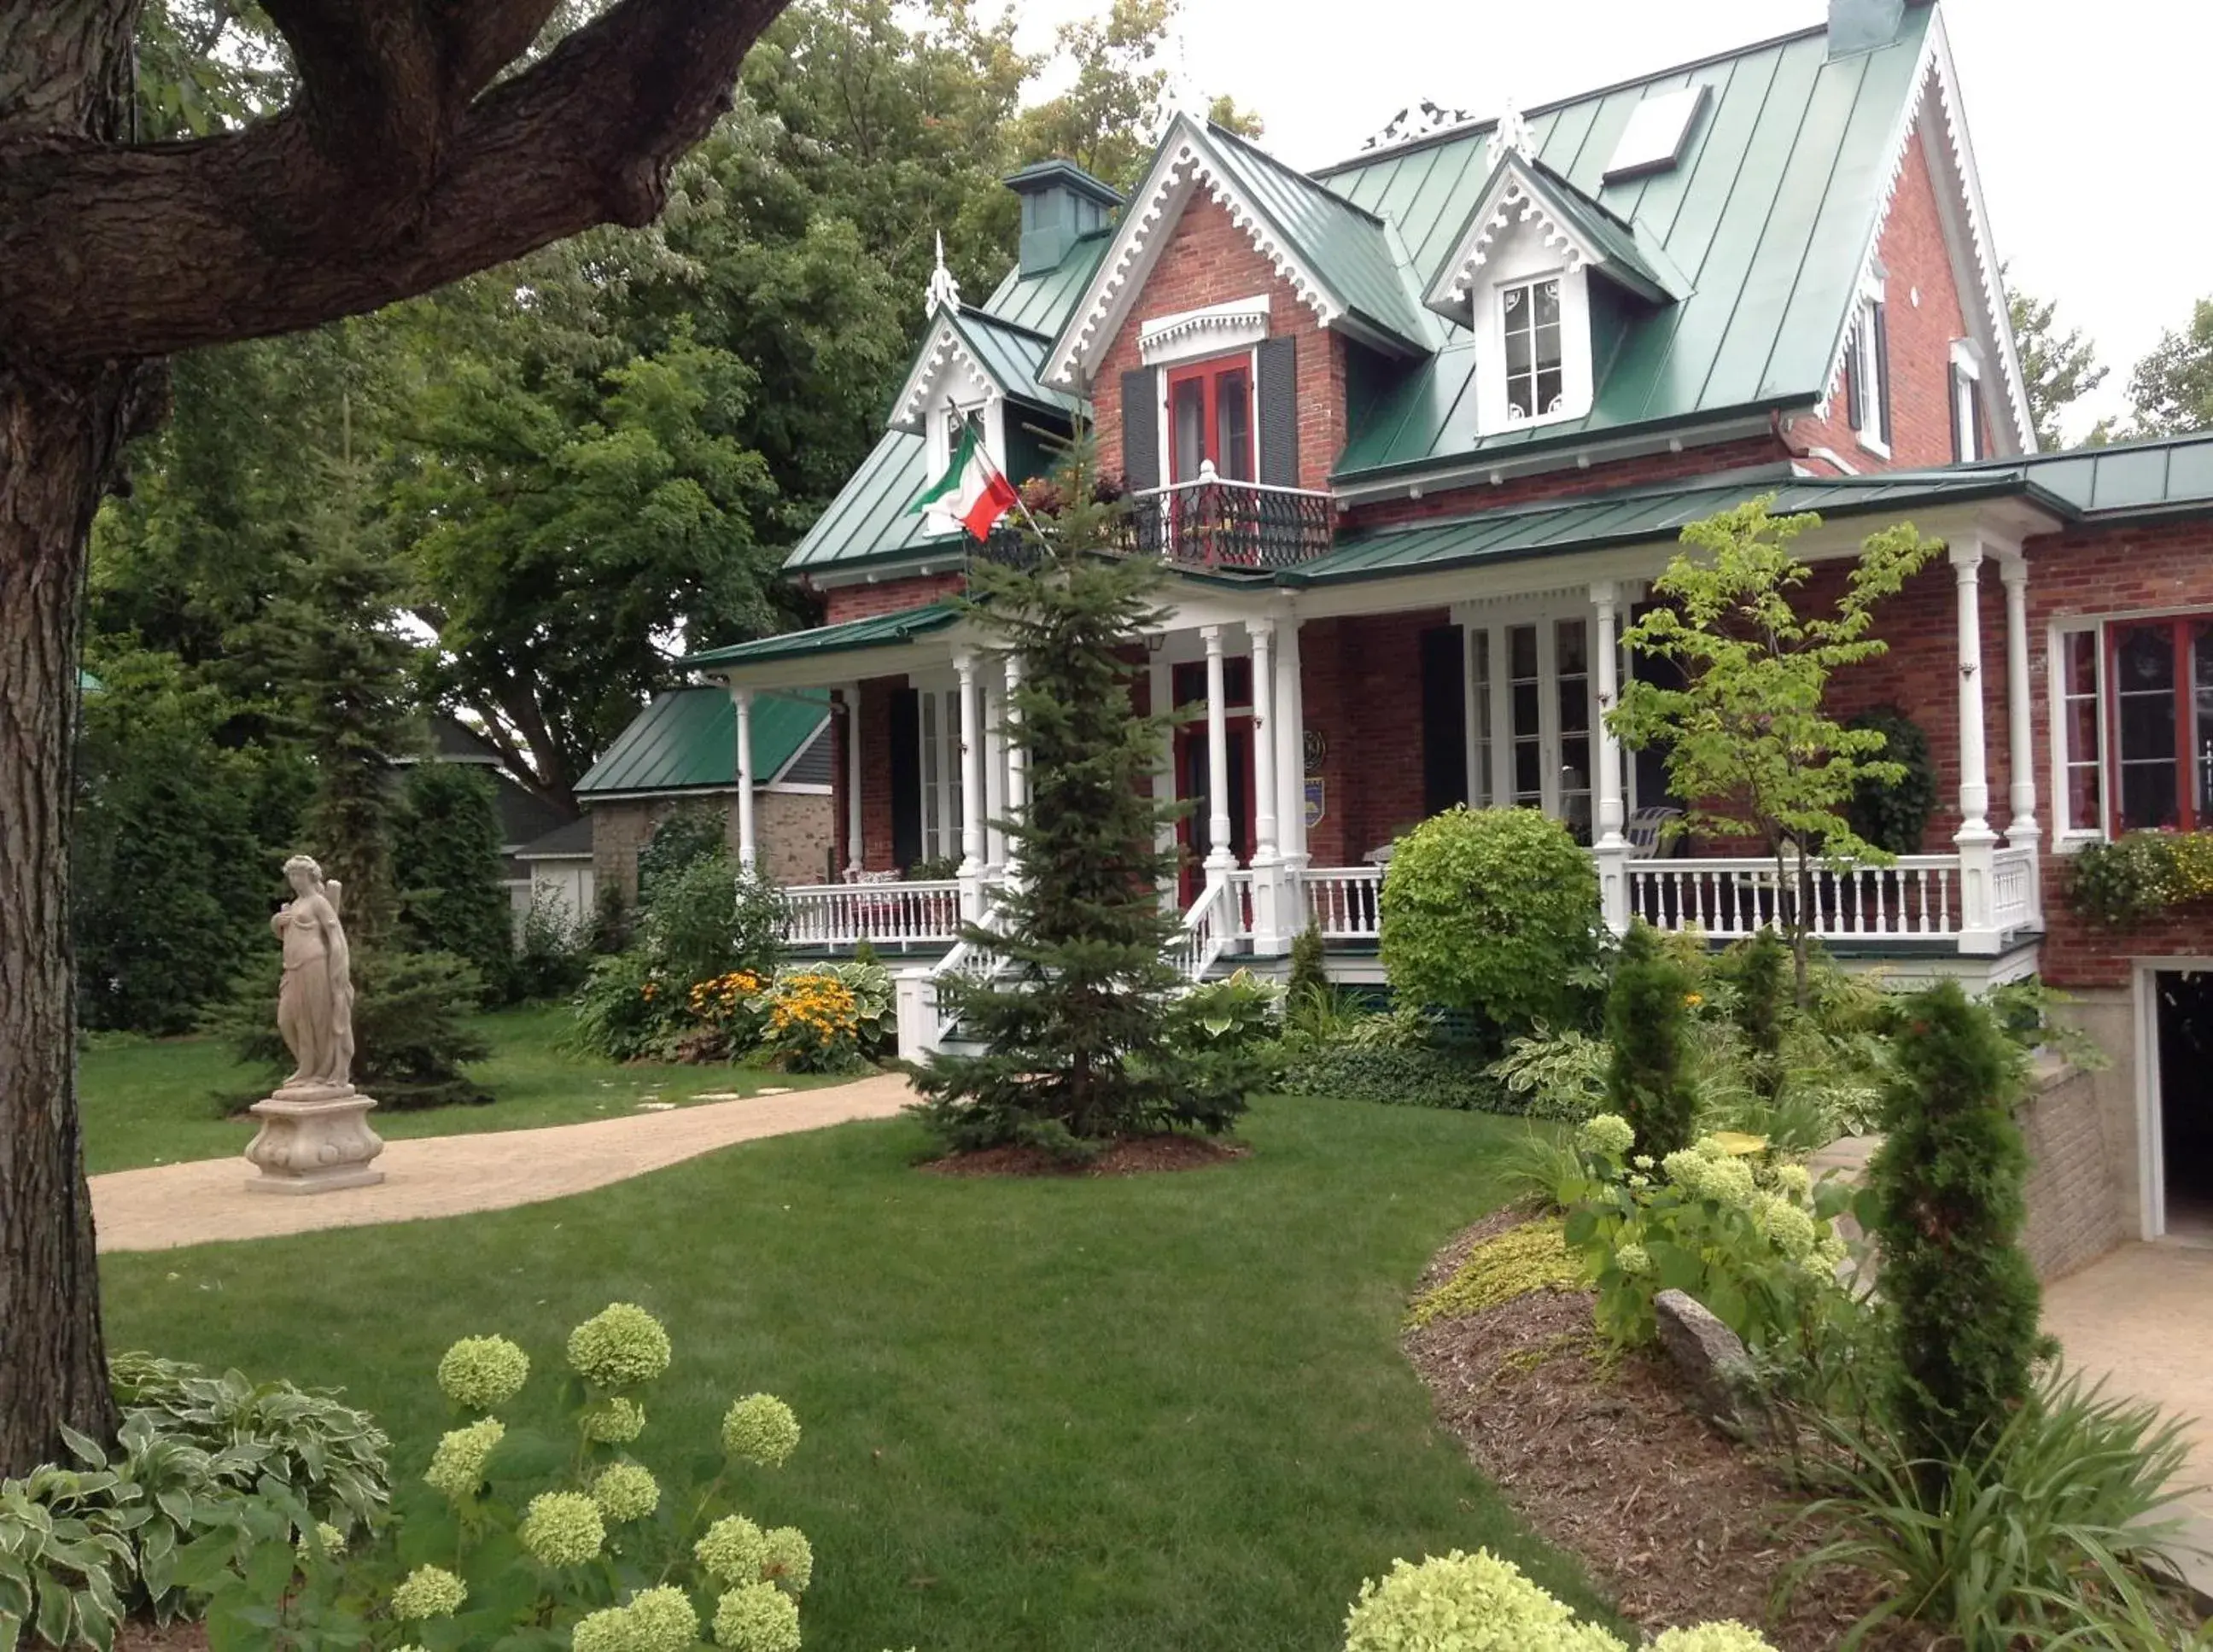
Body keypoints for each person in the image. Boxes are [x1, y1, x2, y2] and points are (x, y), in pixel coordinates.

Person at [272, 855, 355, 1089]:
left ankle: (322, 1069)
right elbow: (286, 934)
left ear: (310, 876)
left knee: (318, 1018)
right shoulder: (295, 904)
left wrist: (339, 968)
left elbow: (334, 933)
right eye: (291, 875)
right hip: (293, 969)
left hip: (315, 965)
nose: (294, 880)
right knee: (287, 1019)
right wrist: (277, 922)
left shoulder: (318, 902)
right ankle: (306, 1066)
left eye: (298, 875)